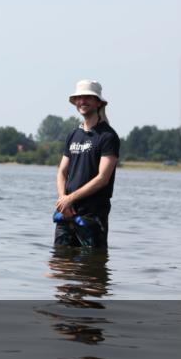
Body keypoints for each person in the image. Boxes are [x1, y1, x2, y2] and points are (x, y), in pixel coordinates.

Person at [55, 80, 120, 249]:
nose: (82, 101)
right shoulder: (73, 135)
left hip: (93, 215)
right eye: (79, 97)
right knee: (59, 267)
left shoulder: (107, 136)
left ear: (98, 103)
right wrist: (63, 200)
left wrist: (70, 198)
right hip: (67, 213)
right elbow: (62, 172)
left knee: (92, 271)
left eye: (88, 97)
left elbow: (102, 178)